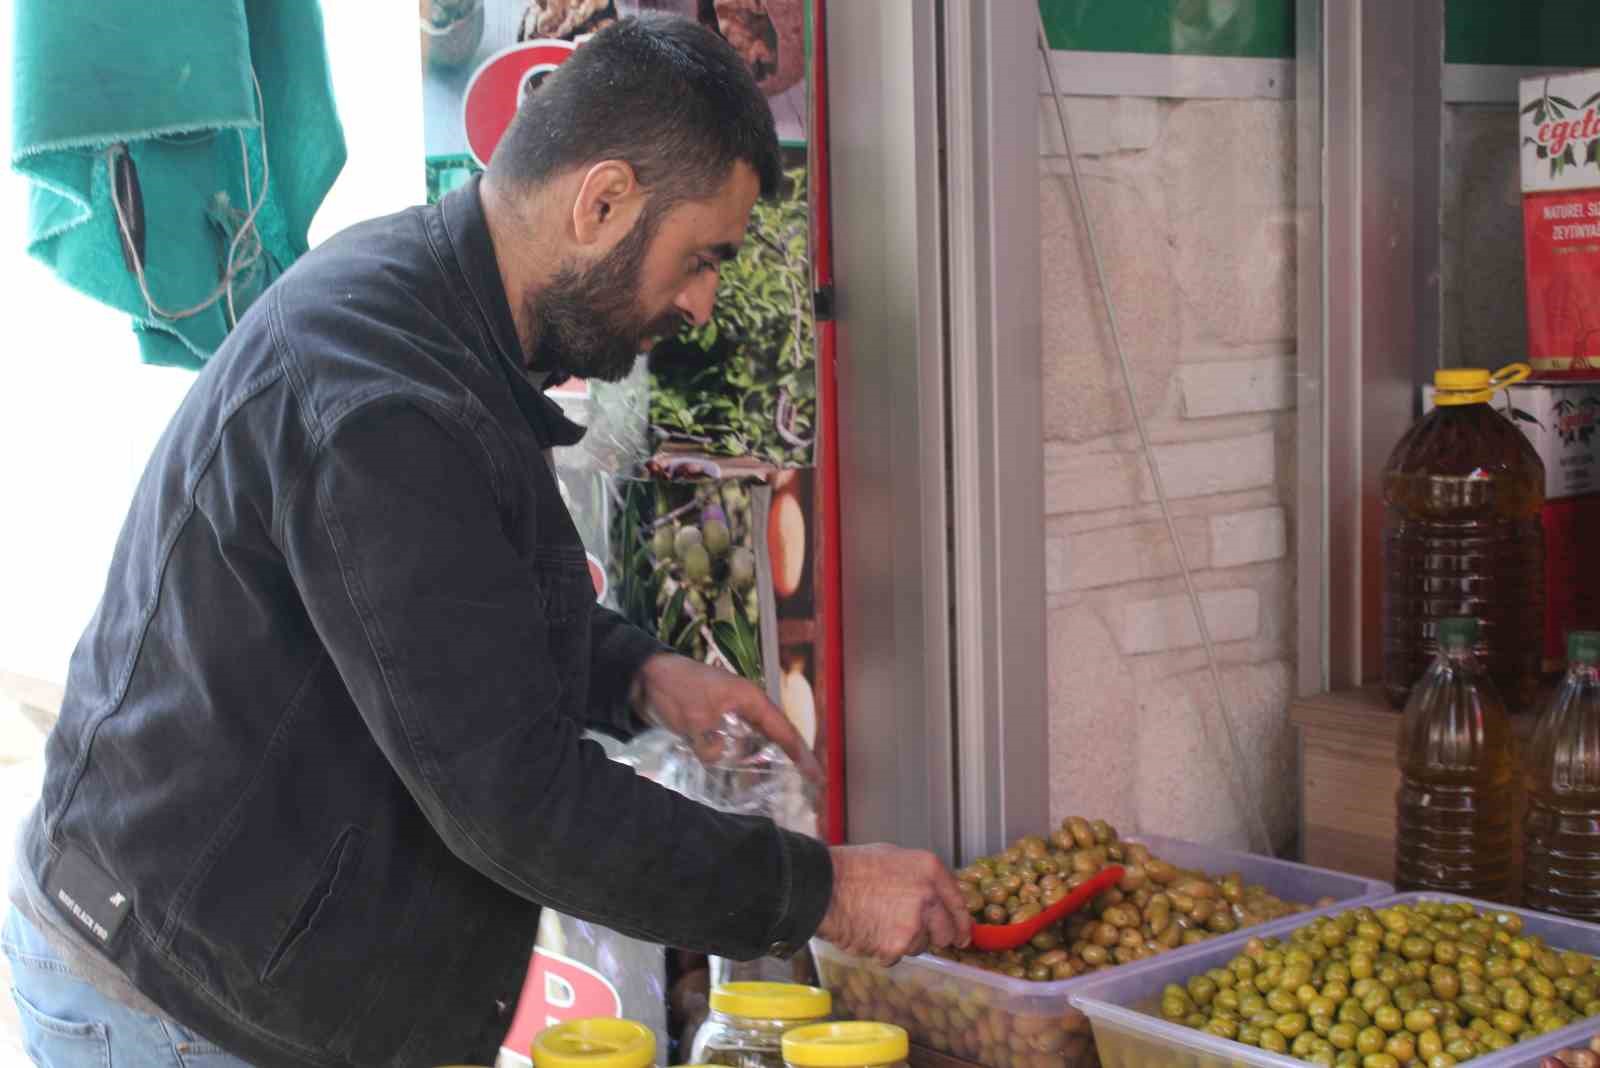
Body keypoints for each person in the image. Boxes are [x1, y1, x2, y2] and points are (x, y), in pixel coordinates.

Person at [5, 14, 970, 1068]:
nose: (699, 302)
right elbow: (519, 805)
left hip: (245, 966)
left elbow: (449, 607)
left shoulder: (437, 313)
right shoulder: (382, 398)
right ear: (601, 201)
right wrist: (822, 891)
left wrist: (640, 673)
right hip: (176, 1005)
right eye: (701, 260)